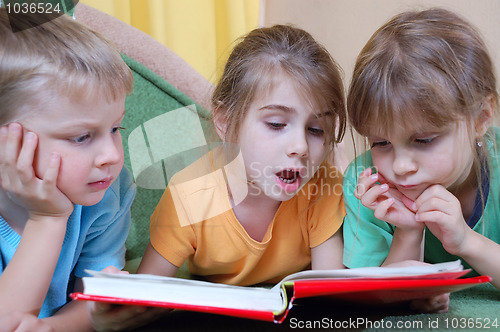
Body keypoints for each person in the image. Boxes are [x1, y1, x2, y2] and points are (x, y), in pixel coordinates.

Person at [90, 24, 347, 330]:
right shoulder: (189, 196)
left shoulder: (324, 186)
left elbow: (330, 299)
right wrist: (110, 316)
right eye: (277, 124)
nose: (300, 147)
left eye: (316, 130)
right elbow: (147, 296)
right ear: (225, 122)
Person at [343, 7, 500, 305]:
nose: (400, 167)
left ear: (481, 118)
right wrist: (408, 233)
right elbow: (369, 298)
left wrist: (467, 241)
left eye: (424, 140)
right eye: (381, 143)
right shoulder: (366, 182)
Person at [0, 9, 136, 331]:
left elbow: (92, 305)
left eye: (117, 128)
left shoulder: (109, 191)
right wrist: (47, 219)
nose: (111, 156)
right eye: (81, 137)